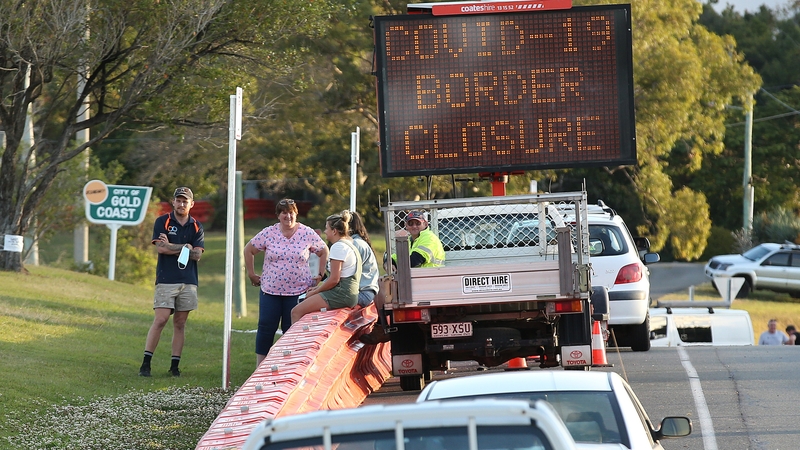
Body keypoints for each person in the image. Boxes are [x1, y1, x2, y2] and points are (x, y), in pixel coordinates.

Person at [245, 199, 330, 367]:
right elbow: (249, 249)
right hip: (270, 290)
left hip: (298, 291)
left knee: (292, 329)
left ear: (296, 214)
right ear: (278, 215)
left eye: (291, 212)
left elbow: (323, 250)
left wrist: (320, 274)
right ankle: (260, 366)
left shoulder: (306, 233)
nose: (288, 216)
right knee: (266, 327)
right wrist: (251, 274)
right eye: (284, 212)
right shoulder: (269, 233)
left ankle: (289, 366)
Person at [139, 187, 205, 377]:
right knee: (160, 320)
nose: (182, 204)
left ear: (191, 204)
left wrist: (172, 246)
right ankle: (146, 363)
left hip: (188, 281)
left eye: (186, 201)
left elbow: (197, 255)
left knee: (180, 323)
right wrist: (184, 247)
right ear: (173, 202)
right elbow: (161, 249)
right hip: (167, 279)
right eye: (179, 200)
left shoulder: (196, 226)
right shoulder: (163, 221)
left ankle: (174, 366)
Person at [360, 209, 445, 344]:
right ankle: (382, 325)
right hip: (418, 282)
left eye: (417, 223)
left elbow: (414, 261)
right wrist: (389, 261)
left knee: (380, 287)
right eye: (411, 223)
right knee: (381, 283)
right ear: (406, 226)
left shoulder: (428, 238)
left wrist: (394, 263)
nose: (414, 226)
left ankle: (382, 327)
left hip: (426, 283)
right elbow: (393, 257)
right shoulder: (413, 240)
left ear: (425, 224)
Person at [291, 211, 362, 323]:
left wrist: (314, 292)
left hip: (342, 294)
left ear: (334, 231)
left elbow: (334, 279)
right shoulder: (349, 244)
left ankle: (297, 340)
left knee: (296, 312)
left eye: (326, 228)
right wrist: (317, 289)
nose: (325, 231)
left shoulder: (338, 247)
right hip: (348, 294)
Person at [348, 211, 380, 308]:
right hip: (366, 293)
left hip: (361, 294)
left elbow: (346, 275)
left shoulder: (355, 244)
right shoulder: (359, 242)